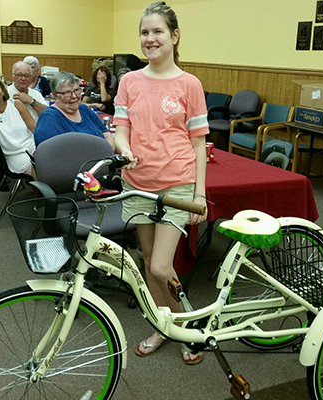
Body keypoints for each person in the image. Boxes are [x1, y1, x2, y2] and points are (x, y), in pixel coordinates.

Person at [113, 1, 209, 365]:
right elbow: (122, 130)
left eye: (157, 32)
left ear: (174, 36)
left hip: (177, 184)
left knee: (159, 267)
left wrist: (200, 192)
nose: (149, 39)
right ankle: (164, 325)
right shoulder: (129, 81)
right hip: (137, 182)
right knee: (149, 260)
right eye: (144, 32)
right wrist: (125, 151)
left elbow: (198, 142)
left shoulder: (190, 84)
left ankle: (187, 324)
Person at [34, 71, 115, 148]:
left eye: (77, 90)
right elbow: (53, 155)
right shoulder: (49, 118)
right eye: (67, 93)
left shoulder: (85, 110)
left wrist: (108, 149)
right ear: (55, 96)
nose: (74, 96)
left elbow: (106, 133)